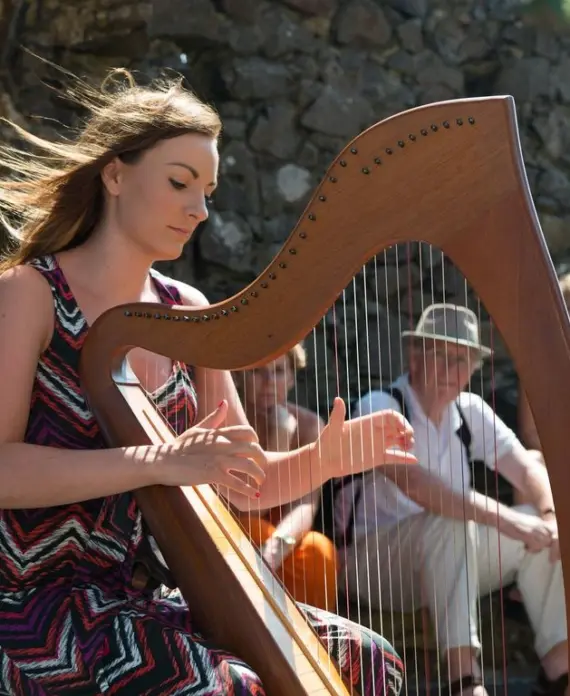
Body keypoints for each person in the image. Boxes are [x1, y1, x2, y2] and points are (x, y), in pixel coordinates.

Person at [0, 69, 417, 695]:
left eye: (209, 190)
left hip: (143, 599)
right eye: (179, 183)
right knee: (227, 686)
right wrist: (159, 460)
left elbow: (244, 483)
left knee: (368, 660)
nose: (199, 209)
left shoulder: (187, 311)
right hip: (32, 601)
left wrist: (327, 457)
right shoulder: (30, 294)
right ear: (115, 176)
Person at [339, 304, 567, 696]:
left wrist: (549, 517)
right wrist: (509, 521)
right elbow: (418, 487)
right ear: (414, 356)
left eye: (460, 359)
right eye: (439, 355)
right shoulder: (380, 406)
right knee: (450, 519)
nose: (450, 369)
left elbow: (527, 468)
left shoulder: (470, 410)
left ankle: (559, 672)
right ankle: (465, 682)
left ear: (474, 368)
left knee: (540, 526)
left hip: (449, 560)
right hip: (372, 567)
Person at [235, 342, 339, 611]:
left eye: (279, 371)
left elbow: (306, 504)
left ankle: (313, 645)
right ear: (239, 376)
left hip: (283, 538)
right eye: (258, 372)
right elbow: (250, 508)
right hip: (242, 528)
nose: (269, 382)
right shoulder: (230, 422)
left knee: (319, 550)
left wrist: (276, 548)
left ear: (292, 378)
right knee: (256, 530)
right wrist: (280, 440)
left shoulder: (309, 426)